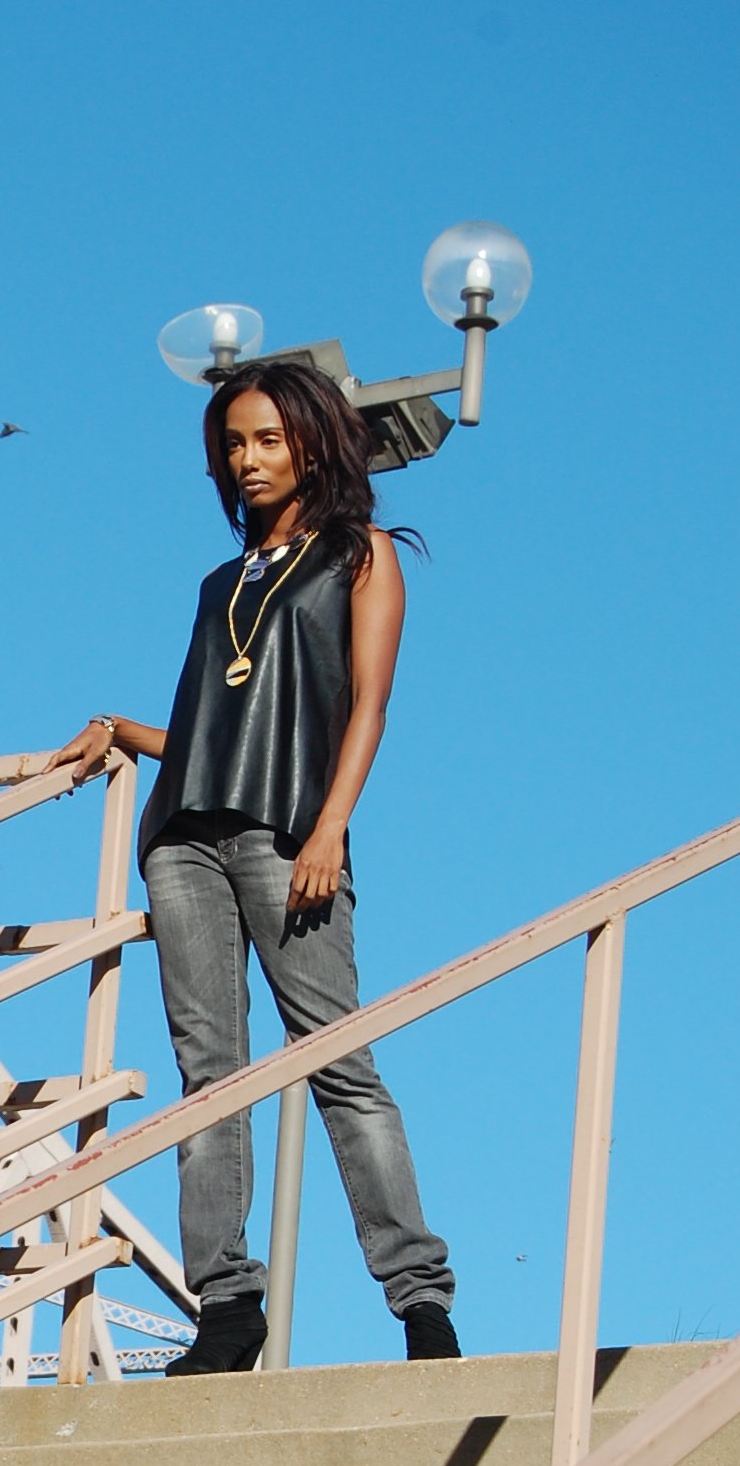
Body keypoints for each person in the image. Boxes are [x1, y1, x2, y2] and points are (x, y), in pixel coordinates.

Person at [52, 358, 459, 1372]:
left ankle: (419, 1302)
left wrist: (329, 825)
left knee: (336, 1060)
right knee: (207, 1079)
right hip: (183, 837)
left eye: (267, 438)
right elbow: (207, 730)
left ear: (314, 441)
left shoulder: (359, 554)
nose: (246, 459)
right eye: (232, 442)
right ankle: (225, 1308)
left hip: (289, 836)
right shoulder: (216, 584)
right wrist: (117, 728)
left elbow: (366, 704)